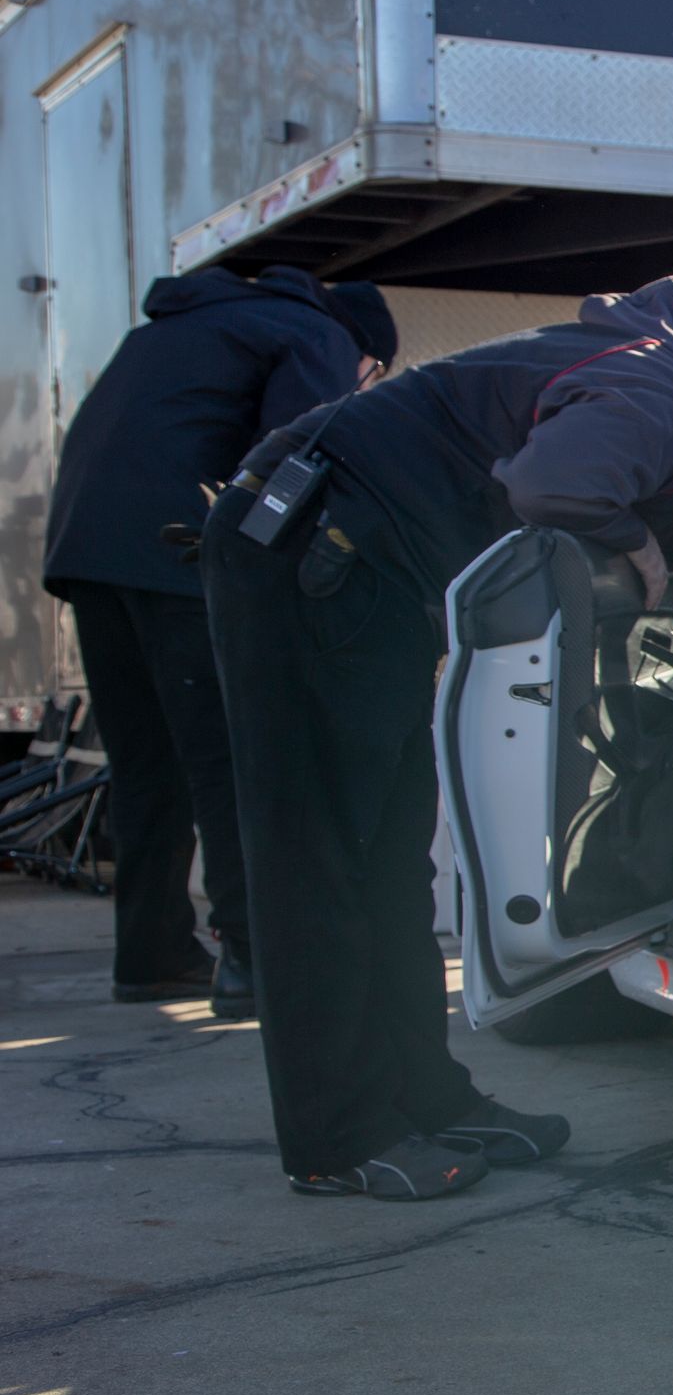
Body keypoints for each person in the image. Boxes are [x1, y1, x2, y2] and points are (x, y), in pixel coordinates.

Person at [202, 282, 673, 1203]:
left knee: (386, 859)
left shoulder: (669, 384)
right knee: (323, 861)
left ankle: (424, 1096)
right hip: (306, 551)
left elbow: (568, 467)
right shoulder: (663, 393)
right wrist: (641, 541)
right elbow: (551, 487)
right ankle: (337, 1138)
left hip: (351, 563)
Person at [41, 267, 396, 1017]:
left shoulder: (185, 323)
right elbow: (301, 455)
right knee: (233, 757)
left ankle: (151, 954)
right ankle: (253, 956)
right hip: (174, 551)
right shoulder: (318, 334)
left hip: (86, 549)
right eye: (372, 374)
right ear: (364, 349)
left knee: (145, 763)